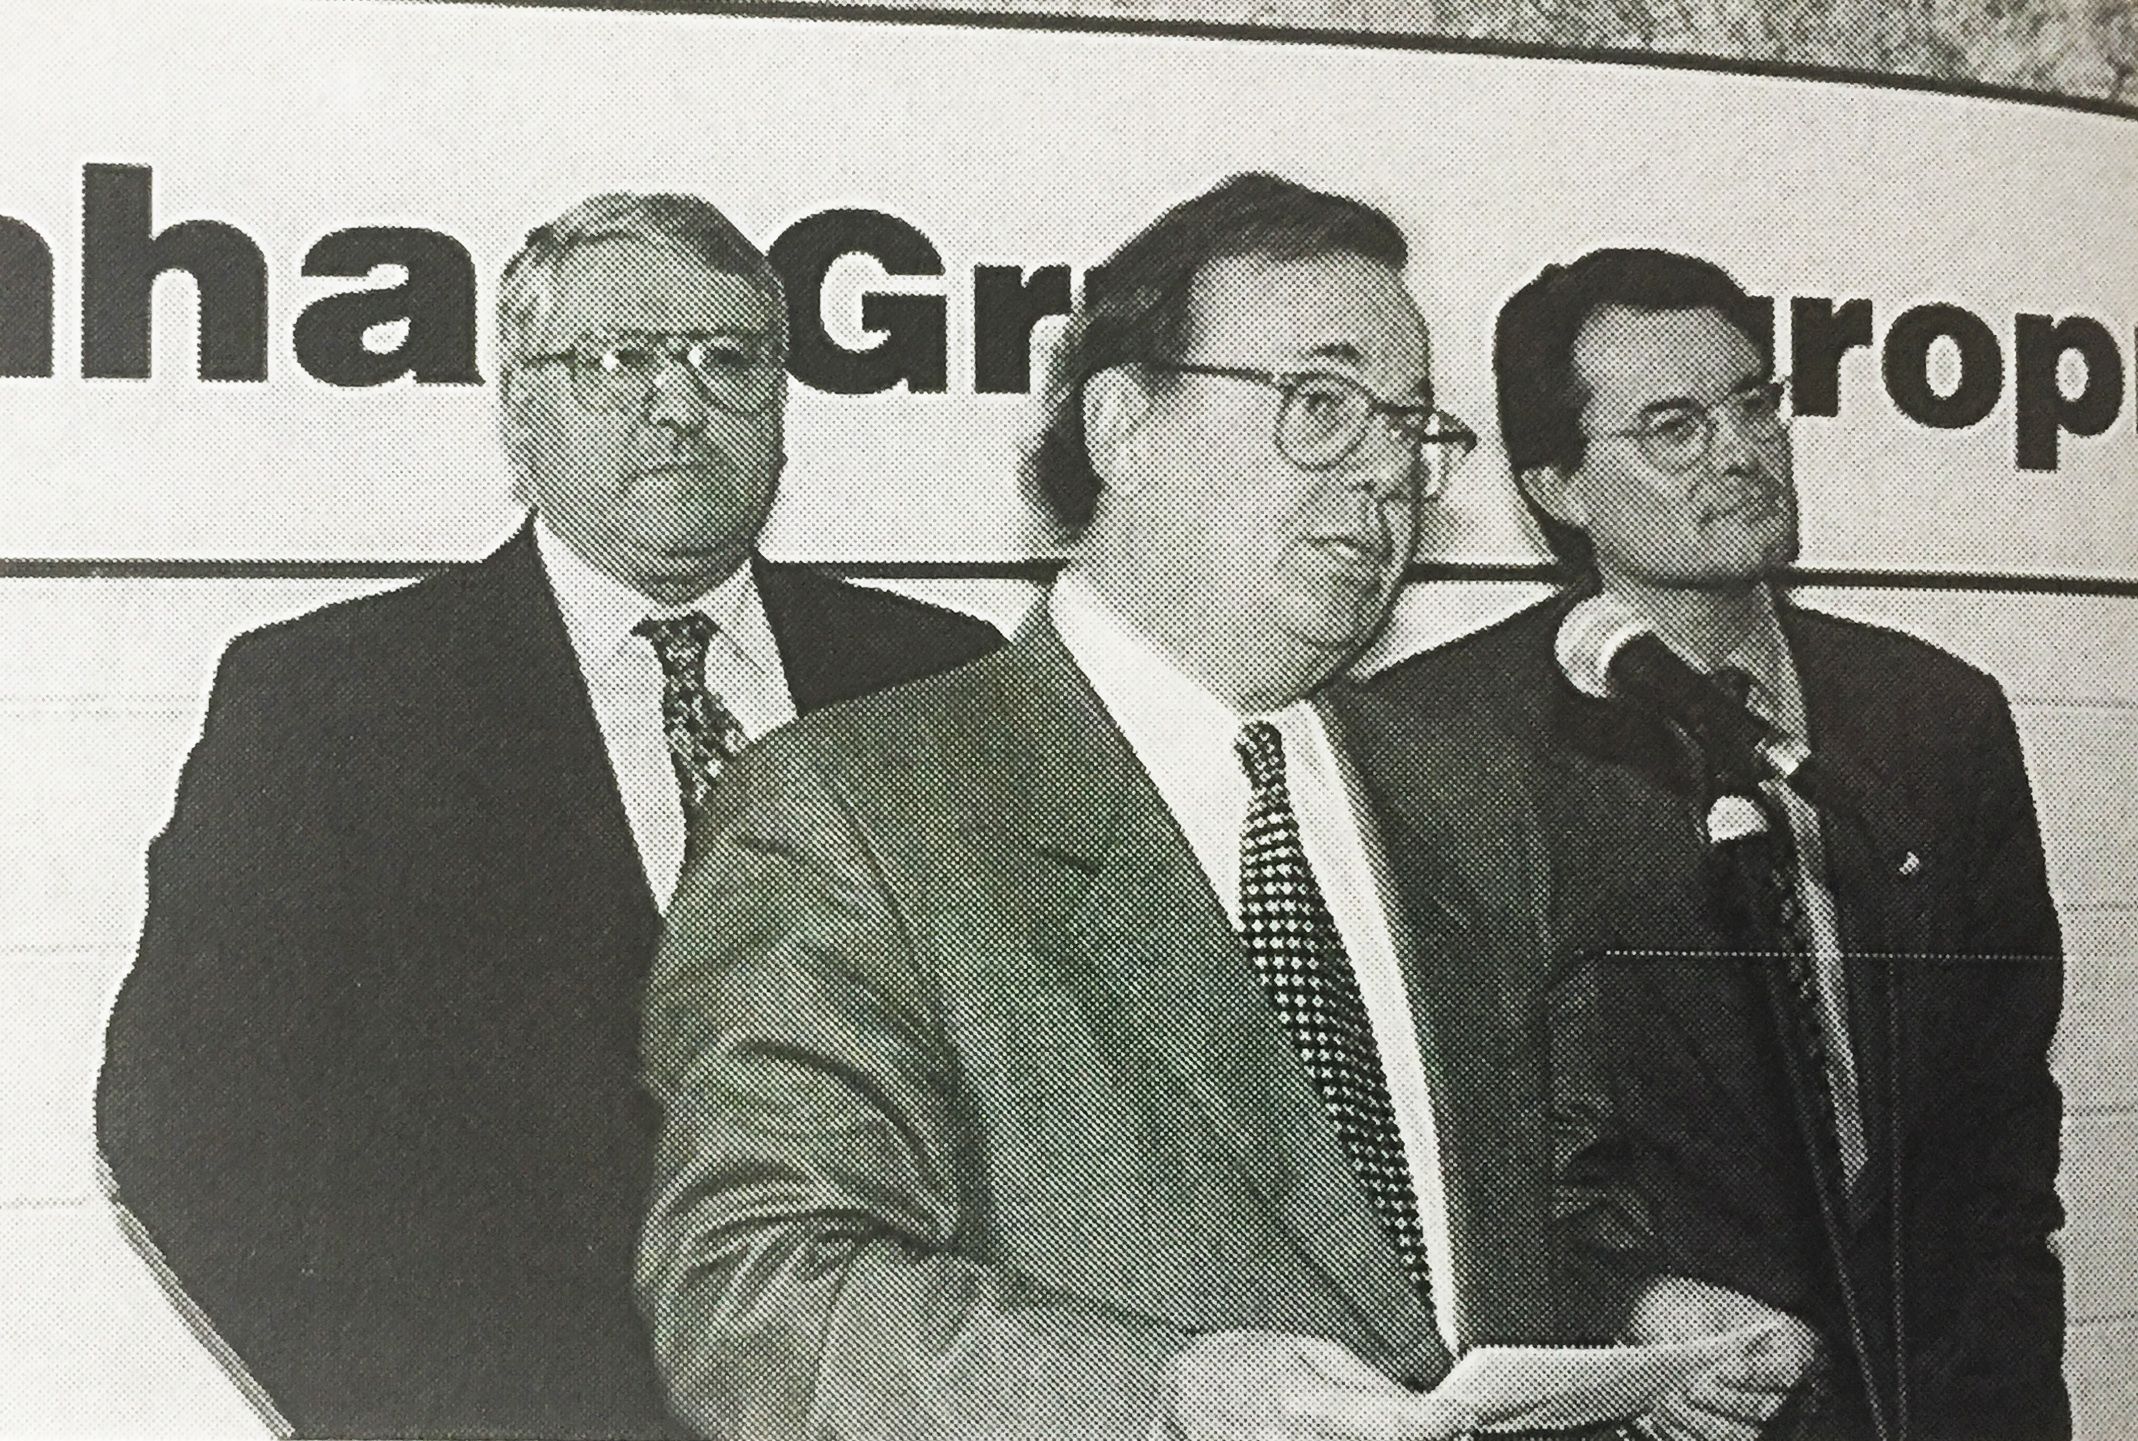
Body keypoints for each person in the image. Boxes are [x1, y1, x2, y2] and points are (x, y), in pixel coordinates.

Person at [636, 176, 1815, 1441]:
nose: (1384, 474)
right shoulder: (857, 812)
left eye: (1410, 426)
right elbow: (755, 1294)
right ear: (1123, 427)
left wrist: (1635, 1311)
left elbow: (1539, 1217)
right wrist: (1168, 1400)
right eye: (1319, 405)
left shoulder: (1479, 797)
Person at [95, 192, 1000, 1439]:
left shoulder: (939, 677)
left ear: (784, 411)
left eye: (729, 360)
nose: (679, 404)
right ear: (519, 404)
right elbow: (184, 1120)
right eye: (617, 359)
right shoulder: (333, 702)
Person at [1358, 248, 2066, 1440]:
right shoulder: (1438, 741)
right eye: (1672, 427)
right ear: (1556, 486)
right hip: (1669, 1409)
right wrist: (1626, 1309)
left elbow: (1999, 1118)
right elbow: (1450, 1150)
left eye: (1753, 403)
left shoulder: (1936, 716)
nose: (1739, 451)